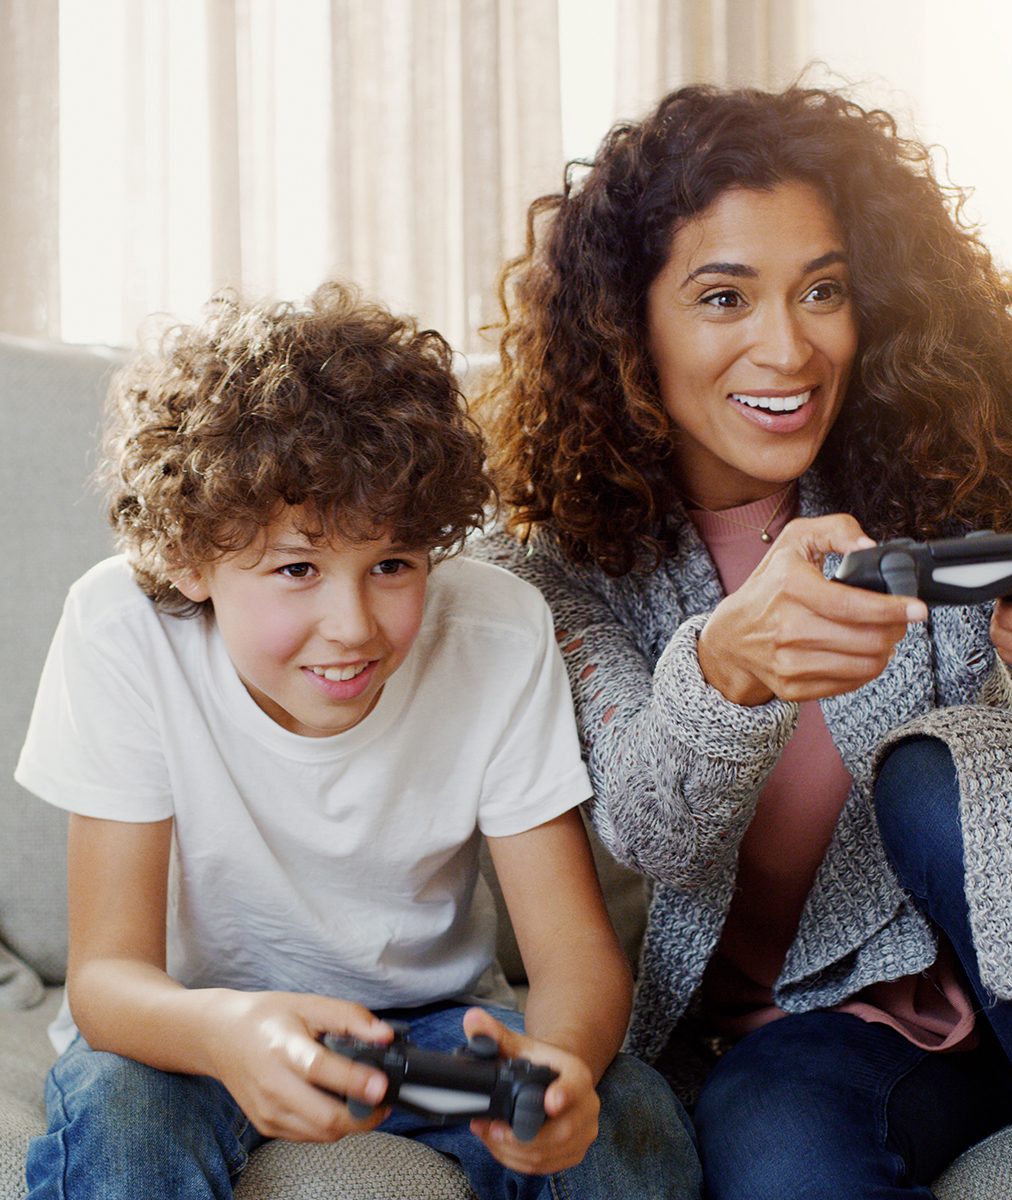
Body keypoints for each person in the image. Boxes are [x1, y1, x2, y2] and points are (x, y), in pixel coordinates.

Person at [470, 83, 1012, 1198]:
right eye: (724, 297)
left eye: (824, 290)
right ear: (630, 325)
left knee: (938, 767)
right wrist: (725, 675)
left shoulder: (950, 458)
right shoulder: (558, 573)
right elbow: (650, 830)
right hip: (822, 1035)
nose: (789, 347)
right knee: (770, 1137)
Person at [16, 283, 701, 1200]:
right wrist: (228, 1035)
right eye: (296, 569)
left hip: (428, 1024)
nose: (353, 626)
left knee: (630, 1112)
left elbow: (575, 957)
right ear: (189, 558)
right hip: (186, 1034)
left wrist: (559, 1066)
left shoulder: (497, 629)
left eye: (392, 565)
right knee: (122, 1114)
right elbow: (107, 980)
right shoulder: (119, 628)